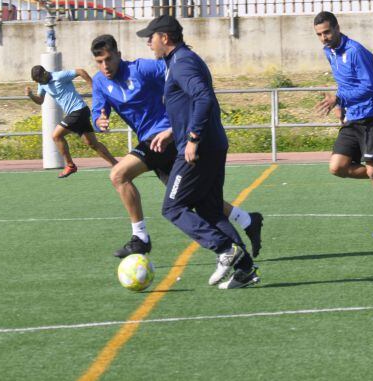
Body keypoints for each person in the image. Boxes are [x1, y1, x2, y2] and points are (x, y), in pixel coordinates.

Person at [89, 34, 263, 259]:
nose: (105, 66)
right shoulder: (100, 83)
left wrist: (184, 107)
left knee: (118, 175)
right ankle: (246, 221)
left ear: (119, 55)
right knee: (197, 200)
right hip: (156, 144)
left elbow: (177, 71)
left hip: (166, 137)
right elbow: (97, 110)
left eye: (109, 59)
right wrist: (98, 121)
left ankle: (140, 237)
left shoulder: (142, 69)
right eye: (99, 62)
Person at [138, 15, 259, 290]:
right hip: (210, 144)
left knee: (173, 207)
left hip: (199, 149)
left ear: (165, 38)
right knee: (210, 210)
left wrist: (192, 138)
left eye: (151, 37)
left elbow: (204, 97)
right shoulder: (178, 61)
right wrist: (173, 132)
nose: (148, 42)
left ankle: (224, 248)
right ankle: (245, 269)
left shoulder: (182, 63)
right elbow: (190, 103)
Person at [313, 11, 373, 238]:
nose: (324, 38)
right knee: (337, 167)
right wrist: (341, 106)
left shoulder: (356, 51)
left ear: (337, 28)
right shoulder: (330, 52)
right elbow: (345, 82)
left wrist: (339, 99)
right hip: (353, 116)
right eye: (319, 34)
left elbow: (371, 87)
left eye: (327, 32)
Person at [26, 65, 118, 178]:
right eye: (37, 81)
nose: (39, 83)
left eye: (39, 80)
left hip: (78, 110)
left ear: (44, 73)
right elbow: (40, 100)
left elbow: (80, 71)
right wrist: (31, 96)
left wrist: (94, 87)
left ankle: (70, 165)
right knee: (93, 144)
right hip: (78, 113)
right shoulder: (42, 84)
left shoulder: (59, 76)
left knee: (56, 136)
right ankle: (116, 165)